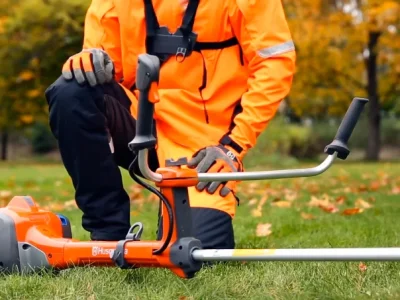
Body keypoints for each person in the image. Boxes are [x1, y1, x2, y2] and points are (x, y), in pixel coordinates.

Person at [45, 0, 296, 249]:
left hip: (205, 150)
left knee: (196, 256)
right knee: (72, 91)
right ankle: (108, 235)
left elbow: (273, 67)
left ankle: (174, 219)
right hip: (140, 126)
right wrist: (91, 61)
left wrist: (233, 146)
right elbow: (105, 70)